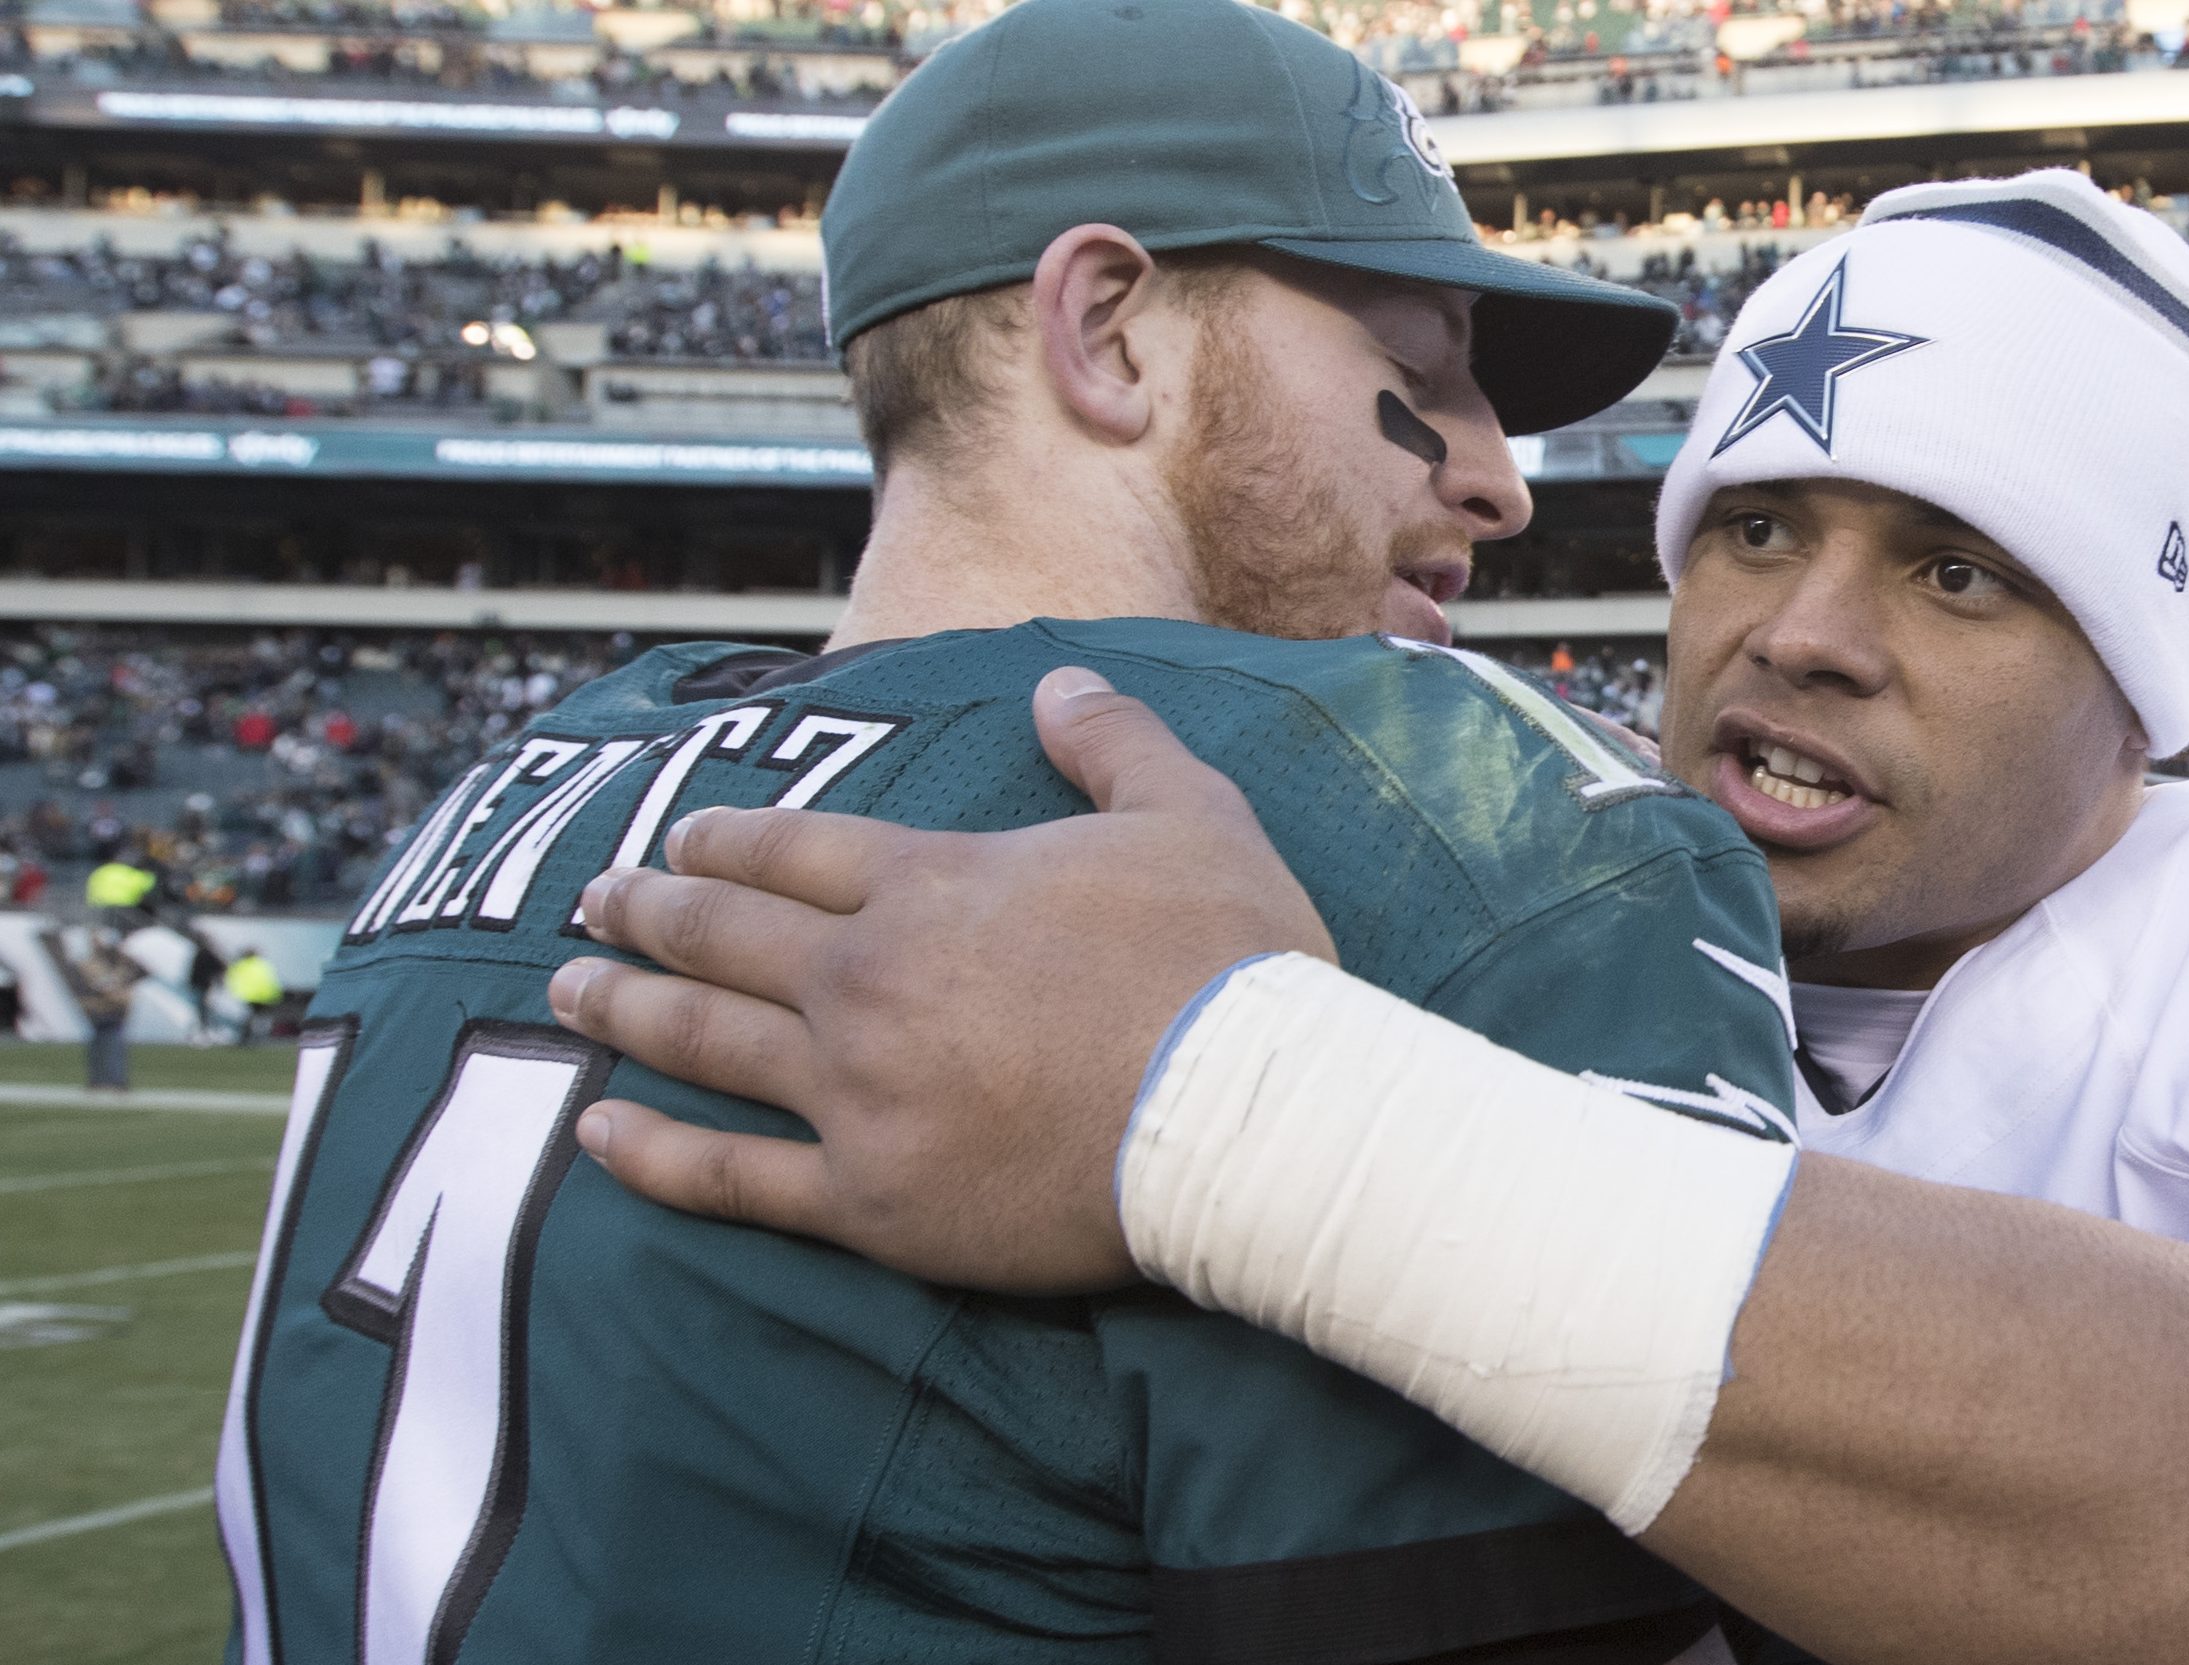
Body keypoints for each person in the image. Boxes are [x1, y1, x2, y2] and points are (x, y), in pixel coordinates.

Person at [555, 173, 2189, 1664]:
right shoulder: (1489, 869)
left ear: (2146, 689)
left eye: (1960, 569)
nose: (1801, 632)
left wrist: (1234, 1107)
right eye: (1758, 523)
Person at [211, 4, 1770, 1661]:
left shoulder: (502, 797)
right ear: (1107, 332)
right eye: (1416, 374)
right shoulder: (1424, 800)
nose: (1497, 482)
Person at [69, 928, 143, 1092]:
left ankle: (108, 1080)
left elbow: (114, 986)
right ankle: (108, 1080)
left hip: (111, 1009)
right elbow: (105, 987)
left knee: (108, 1046)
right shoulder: (94, 964)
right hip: (103, 1009)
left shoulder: (116, 963)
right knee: (106, 1046)